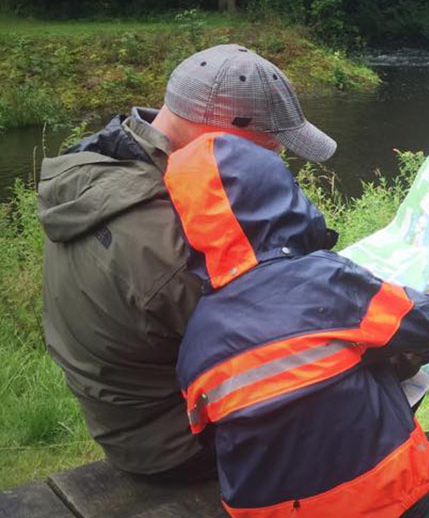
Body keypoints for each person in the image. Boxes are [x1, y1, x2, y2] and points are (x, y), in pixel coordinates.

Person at [37, 43, 337, 480]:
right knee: (367, 395)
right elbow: (292, 347)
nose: (278, 161)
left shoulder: (106, 166)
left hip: (127, 416)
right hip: (175, 445)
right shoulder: (174, 247)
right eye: (270, 148)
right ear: (221, 134)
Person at [163, 131, 429, 517]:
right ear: (278, 196)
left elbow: (211, 437)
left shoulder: (195, 341)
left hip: (264, 511)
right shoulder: (322, 280)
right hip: (370, 495)